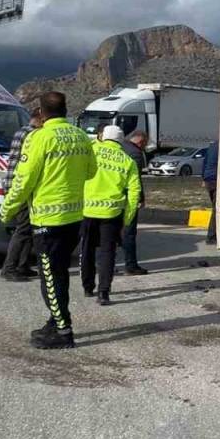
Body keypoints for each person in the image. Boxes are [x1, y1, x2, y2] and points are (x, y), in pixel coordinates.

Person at [0, 92, 96, 350]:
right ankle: (56, 320)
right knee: (60, 272)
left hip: (47, 220)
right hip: (74, 217)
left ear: (41, 113)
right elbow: (91, 171)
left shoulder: (38, 138)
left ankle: (63, 331)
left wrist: (7, 209)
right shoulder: (80, 136)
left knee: (50, 277)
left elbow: (23, 180)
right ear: (65, 110)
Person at [79, 125, 142, 305]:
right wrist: (127, 218)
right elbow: (134, 192)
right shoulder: (127, 160)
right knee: (108, 253)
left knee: (87, 250)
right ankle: (103, 293)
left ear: (102, 137)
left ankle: (87, 286)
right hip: (112, 213)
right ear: (121, 140)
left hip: (87, 211)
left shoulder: (90, 151)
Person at [0, 108, 43, 282]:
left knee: (29, 228)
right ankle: (9, 268)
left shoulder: (21, 131)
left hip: (13, 184)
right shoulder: (32, 135)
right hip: (21, 187)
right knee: (23, 229)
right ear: (39, 119)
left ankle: (22, 265)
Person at [118, 130, 150, 275]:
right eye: (145, 143)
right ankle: (131, 265)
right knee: (129, 232)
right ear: (141, 141)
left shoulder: (120, 147)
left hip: (112, 197)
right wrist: (140, 198)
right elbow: (135, 180)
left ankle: (106, 266)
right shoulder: (136, 153)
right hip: (128, 198)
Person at [202, 140, 219, 244]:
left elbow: (204, 162)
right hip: (216, 179)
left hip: (209, 179)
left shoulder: (212, 146)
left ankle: (213, 235)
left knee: (215, 208)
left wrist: (203, 178)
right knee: (217, 209)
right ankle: (212, 236)